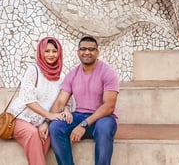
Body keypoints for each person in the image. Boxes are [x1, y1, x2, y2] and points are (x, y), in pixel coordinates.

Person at [47, 36, 119, 165]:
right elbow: (60, 103)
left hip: (102, 119)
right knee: (56, 127)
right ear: (78, 52)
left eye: (91, 49)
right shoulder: (72, 74)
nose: (87, 52)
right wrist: (47, 122)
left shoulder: (108, 72)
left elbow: (109, 106)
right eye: (83, 49)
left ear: (97, 52)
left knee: (104, 127)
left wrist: (84, 124)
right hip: (79, 116)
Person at [8, 37, 67, 165]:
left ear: (59, 53)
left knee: (48, 135)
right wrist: (49, 116)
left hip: (43, 122)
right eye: (47, 51)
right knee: (33, 134)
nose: (51, 55)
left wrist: (48, 121)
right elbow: (28, 99)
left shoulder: (61, 77)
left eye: (54, 51)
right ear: (41, 52)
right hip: (20, 119)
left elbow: (64, 101)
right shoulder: (33, 70)